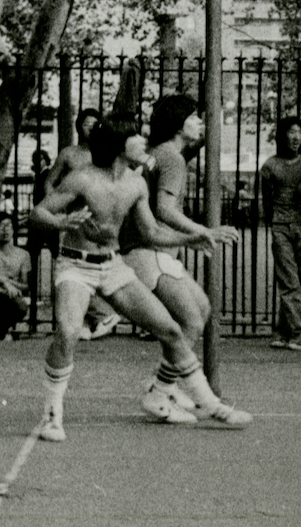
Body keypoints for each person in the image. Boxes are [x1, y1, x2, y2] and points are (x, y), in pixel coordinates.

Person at [26, 117, 248, 442]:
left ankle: (210, 404)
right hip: (76, 266)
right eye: (136, 137)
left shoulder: (136, 183)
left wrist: (195, 236)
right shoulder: (82, 179)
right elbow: (38, 213)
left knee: (171, 330)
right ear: (120, 145)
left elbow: (152, 232)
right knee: (69, 331)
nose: (144, 141)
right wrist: (62, 223)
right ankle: (52, 415)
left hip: (113, 266)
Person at [126, 95, 237, 412]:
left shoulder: (159, 153)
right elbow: (164, 209)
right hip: (148, 249)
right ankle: (160, 391)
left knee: (200, 309)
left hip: (151, 249)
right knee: (190, 320)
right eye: (194, 116)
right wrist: (202, 231)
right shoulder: (172, 158)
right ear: (178, 123)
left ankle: (165, 385)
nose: (200, 122)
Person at [36, 108, 119, 341]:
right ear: (79, 126)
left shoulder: (104, 152)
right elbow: (50, 182)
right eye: (86, 123)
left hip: (97, 215)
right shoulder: (69, 154)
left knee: (95, 263)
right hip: (73, 216)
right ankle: (82, 319)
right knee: (71, 265)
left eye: (95, 123)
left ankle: (94, 315)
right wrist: (58, 205)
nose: (91, 127)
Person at [260, 115, 301, 350]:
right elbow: (266, 200)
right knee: (289, 280)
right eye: (291, 132)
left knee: (298, 280)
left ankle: (283, 330)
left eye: (300, 132)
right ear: (282, 135)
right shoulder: (270, 165)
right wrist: (273, 224)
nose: (296, 137)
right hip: (281, 226)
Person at [0, 213, 32, 340]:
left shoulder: (23, 255)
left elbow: (26, 286)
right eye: (0, 226)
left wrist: (7, 281)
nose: (5, 230)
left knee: (21, 306)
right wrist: (4, 283)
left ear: (14, 229)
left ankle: (1, 328)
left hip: (11, 296)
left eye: (8, 225)